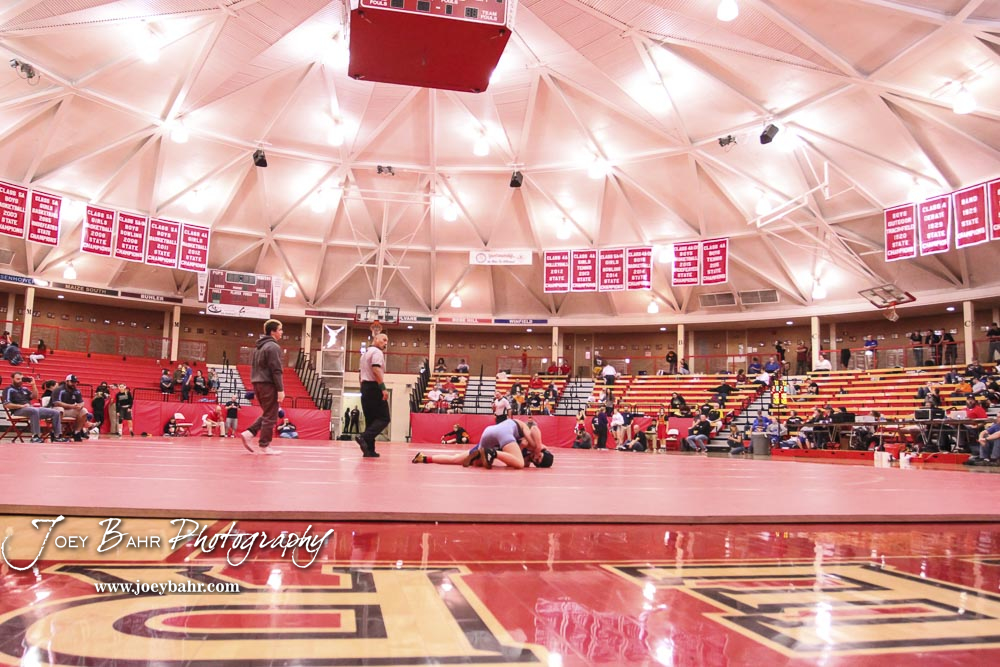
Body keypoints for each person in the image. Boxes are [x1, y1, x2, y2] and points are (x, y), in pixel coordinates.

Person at [240, 319, 285, 455]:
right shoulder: (273, 347)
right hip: (268, 384)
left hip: (257, 383)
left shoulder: (258, 348)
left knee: (268, 414)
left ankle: (249, 433)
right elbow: (276, 370)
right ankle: (264, 445)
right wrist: (280, 389)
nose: (282, 332)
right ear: (273, 331)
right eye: (280, 329)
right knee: (271, 416)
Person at [3, 372, 64, 443]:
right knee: (33, 410)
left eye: (21, 379)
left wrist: (33, 385)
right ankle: (35, 436)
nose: (20, 381)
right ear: (12, 379)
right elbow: (7, 404)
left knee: (55, 412)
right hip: (17, 410)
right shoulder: (8, 389)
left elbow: (35, 396)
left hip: (30, 409)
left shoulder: (25, 389)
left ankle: (57, 436)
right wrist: (22, 406)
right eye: (17, 379)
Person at [355, 332, 390, 458]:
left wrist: (363, 388)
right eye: (384, 339)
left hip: (365, 387)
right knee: (384, 418)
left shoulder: (365, 354)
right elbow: (376, 369)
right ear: (376, 339)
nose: (385, 343)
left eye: (387, 341)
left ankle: (369, 450)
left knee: (370, 419)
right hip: (374, 386)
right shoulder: (377, 352)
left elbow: (360, 373)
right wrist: (383, 388)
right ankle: (364, 437)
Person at [53, 374, 88, 441]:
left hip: (70, 410)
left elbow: (81, 402)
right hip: (56, 408)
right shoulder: (59, 390)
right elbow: (57, 403)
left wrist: (80, 406)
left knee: (84, 411)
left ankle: (77, 432)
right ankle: (58, 433)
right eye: (72, 382)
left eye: (75, 382)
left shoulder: (77, 391)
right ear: (67, 381)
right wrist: (71, 406)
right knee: (60, 410)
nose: (74, 384)